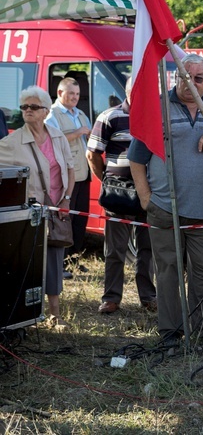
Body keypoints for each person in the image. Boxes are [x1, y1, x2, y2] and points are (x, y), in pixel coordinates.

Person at [129, 54, 203, 346]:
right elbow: (136, 158)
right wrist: (146, 198)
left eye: (198, 79)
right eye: (186, 77)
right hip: (164, 207)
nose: (191, 84)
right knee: (169, 270)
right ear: (176, 77)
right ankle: (170, 331)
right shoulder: (159, 106)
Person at [0, 86, 75, 326]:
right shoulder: (12, 141)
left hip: (56, 208)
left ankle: (55, 313)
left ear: (45, 111)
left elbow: (71, 169)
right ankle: (24, 315)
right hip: (29, 213)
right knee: (27, 261)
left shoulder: (57, 136)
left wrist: (67, 199)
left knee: (54, 258)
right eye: (24, 107)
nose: (28, 111)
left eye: (34, 107)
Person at [86, 78, 156, 314]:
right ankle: (111, 298)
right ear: (127, 93)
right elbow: (92, 153)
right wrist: (106, 179)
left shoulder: (156, 117)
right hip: (118, 192)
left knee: (147, 248)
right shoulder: (110, 117)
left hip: (149, 190)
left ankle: (148, 296)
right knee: (115, 249)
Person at [44, 77, 91, 270]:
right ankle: (61, 263)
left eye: (78, 94)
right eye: (71, 93)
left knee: (80, 219)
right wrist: (78, 132)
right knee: (64, 220)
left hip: (83, 174)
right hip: (63, 177)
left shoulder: (80, 113)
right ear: (60, 93)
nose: (75, 97)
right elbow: (51, 140)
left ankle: (74, 259)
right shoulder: (51, 114)